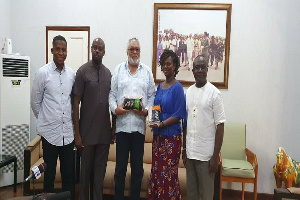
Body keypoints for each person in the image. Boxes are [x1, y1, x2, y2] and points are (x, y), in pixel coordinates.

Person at [109, 37, 156, 200]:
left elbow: (152, 96)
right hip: (122, 128)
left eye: (137, 49)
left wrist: (146, 110)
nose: (134, 52)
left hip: (138, 128)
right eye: (131, 49)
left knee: (137, 170)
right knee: (120, 170)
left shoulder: (147, 72)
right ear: (127, 51)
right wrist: (115, 109)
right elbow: (112, 94)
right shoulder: (119, 70)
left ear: (140, 52)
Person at [31, 35, 75, 199]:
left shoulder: (71, 74)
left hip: (68, 135)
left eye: (64, 50)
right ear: (52, 50)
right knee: (49, 175)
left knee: (68, 175)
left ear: (66, 52)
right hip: (49, 135)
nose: (61, 53)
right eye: (58, 49)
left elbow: (72, 101)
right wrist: (46, 121)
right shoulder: (42, 73)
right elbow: (35, 103)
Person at [72, 38, 113, 200]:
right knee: (84, 176)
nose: (97, 50)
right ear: (91, 49)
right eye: (94, 48)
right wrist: (77, 134)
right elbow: (75, 104)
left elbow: (113, 102)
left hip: (103, 134)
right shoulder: (82, 72)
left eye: (100, 48)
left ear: (104, 52)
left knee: (99, 176)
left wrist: (113, 128)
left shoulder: (108, 73)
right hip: (86, 134)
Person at [182, 55, 226, 200]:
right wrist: (184, 149)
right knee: (192, 195)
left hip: (206, 157)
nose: (200, 70)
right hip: (190, 153)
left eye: (203, 67)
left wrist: (215, 157)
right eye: (197, 67)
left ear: (207, 70)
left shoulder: (214, 93)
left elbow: (220, 126)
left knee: (206, 195)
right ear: (193, 70)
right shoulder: (188, 92)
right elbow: (185, 123)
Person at [148, 50, 186, 200]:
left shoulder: (178, 87)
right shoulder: (159, 86)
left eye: (168, 64)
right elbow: (156, 108)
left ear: (175, 65)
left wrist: (162, 124)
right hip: (158, 138)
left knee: (168, 177)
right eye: (163, 64)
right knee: (157, 174)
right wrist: (152, 120)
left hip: (171, 139)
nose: (165, 66)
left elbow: (178, 114)